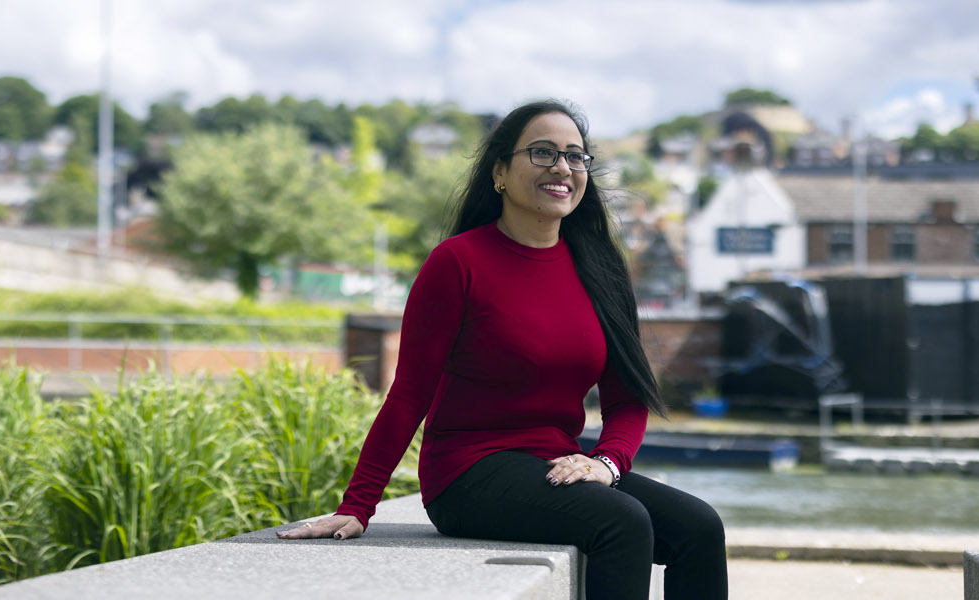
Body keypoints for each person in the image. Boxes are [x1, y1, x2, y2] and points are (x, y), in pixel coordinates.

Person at [276, 99, 728, 599]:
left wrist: (606, 463)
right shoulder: (457, 263)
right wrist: (358, 506)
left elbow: (626, 402)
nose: (562, 167)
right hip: (467, 474)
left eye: (576, 157)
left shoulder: (601, 272)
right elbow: (408, 396)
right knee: (621, 522)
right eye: (542, 152)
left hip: (555, 466)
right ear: (499, 172)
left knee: (700, 528)